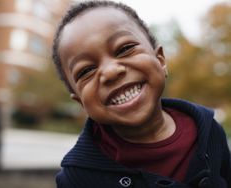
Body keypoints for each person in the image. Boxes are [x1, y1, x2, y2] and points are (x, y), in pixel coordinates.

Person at [51, 1, 231, 187]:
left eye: (125, 49)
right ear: (81, 102)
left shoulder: (209, 131)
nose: (111, 72)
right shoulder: (76, 179)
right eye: (86, 70)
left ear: (160, 61)